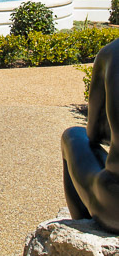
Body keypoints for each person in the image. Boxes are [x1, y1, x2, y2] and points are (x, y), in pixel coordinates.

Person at [61, 37, 119, 233]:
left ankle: (84, 229)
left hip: (115, 206)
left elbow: (96, 134)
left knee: (74, 136)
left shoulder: (112, 52)